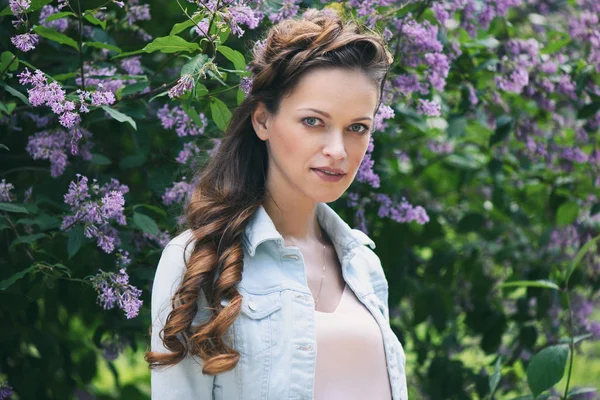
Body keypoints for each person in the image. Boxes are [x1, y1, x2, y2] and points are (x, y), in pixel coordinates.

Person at [145, 8, 408, 400]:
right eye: (313, 121)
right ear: (263, 120)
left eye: (357, 128)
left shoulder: (363, 264)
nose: (338, 150)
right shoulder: (199, 260)